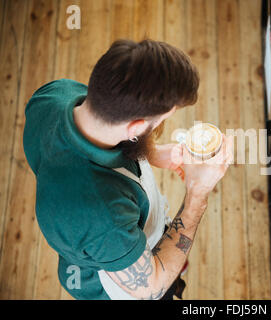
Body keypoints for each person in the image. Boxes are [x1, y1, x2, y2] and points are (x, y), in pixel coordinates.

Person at [23, 39, 232, 300]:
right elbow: (153, 285)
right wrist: (196, 195)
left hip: (115, 237)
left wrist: (153, 152)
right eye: (162, 120)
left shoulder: (53, 95)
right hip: (119, 284)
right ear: (134, 128)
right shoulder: (102, 214)